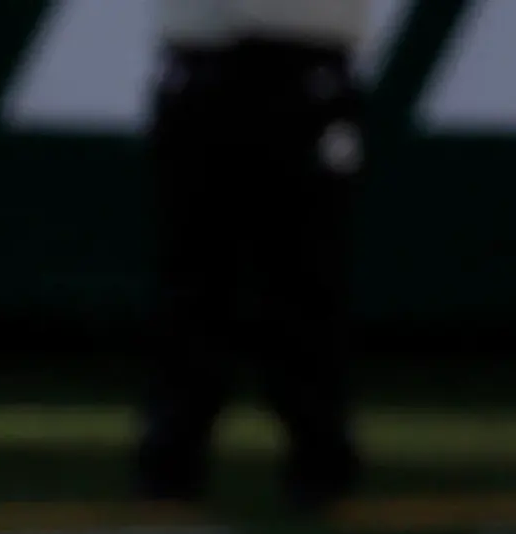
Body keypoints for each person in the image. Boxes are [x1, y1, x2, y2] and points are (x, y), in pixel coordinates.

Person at [136, 0, 368, 507]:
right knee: (192, 275)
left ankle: (320, 455)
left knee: (306, 275)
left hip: (307, 59)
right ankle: (171, 456)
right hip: (200, 57)